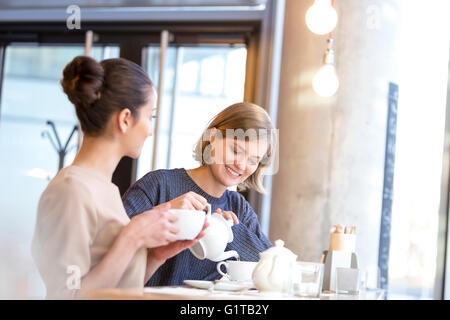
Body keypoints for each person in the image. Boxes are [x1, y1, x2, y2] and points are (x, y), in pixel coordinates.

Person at [31, 56, 207, 299]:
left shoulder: (106, 189)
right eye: (150, 116)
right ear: (125, 119)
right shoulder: (71, 190)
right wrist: (132, 237)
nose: (150, 130)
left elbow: (116, 289)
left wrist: (156, 255)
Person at [122, 102, 276, 286]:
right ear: (213, 138)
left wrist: (231, 231)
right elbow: (112, 247)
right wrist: (165, 212)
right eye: (236, 151)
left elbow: (272, 270)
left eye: (253, 160)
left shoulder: (238, 209)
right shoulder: (159, 185)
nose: (241, 165)